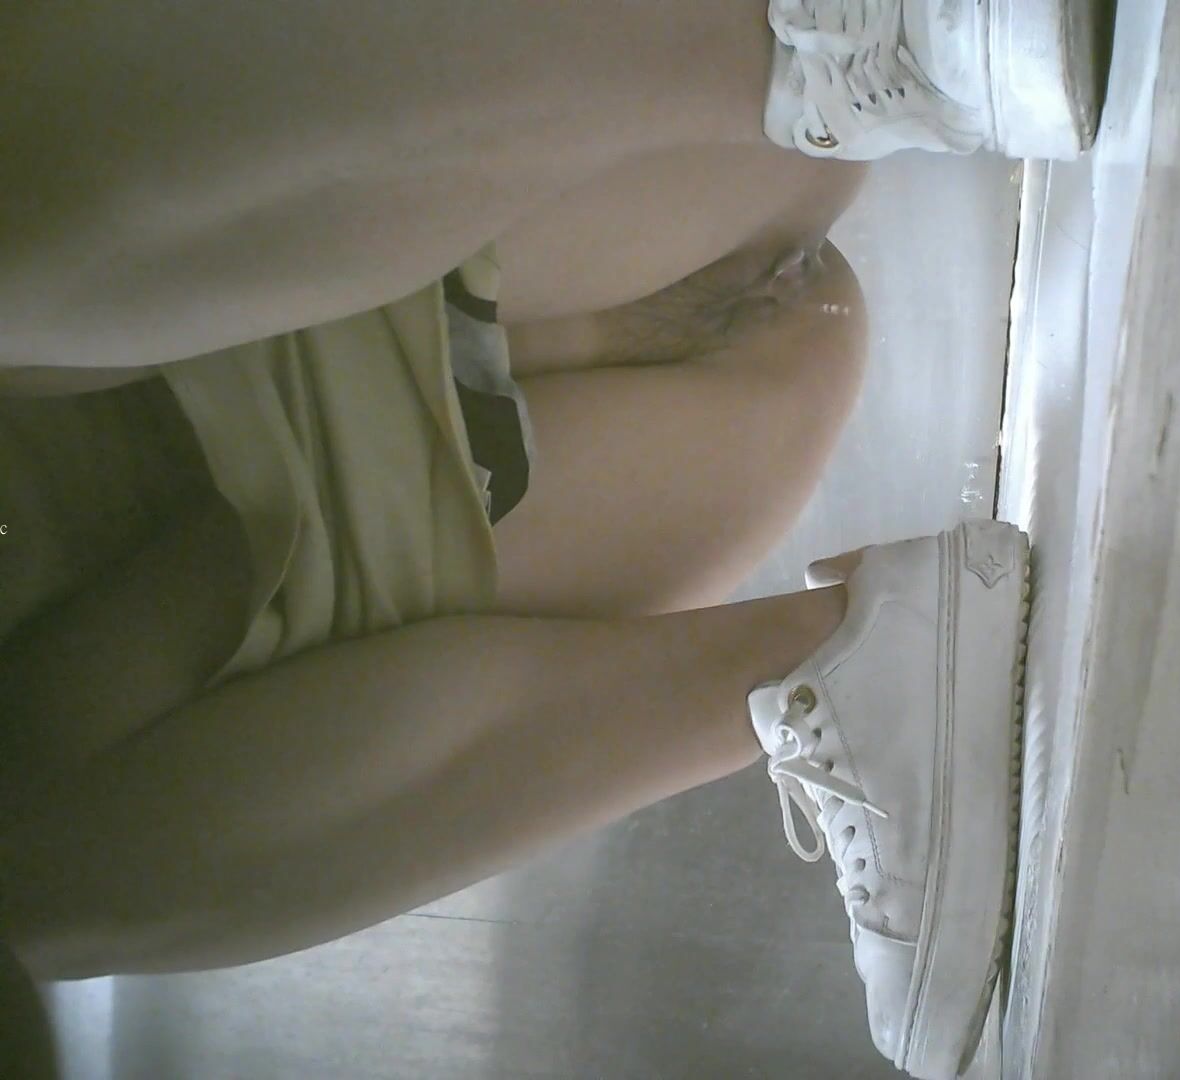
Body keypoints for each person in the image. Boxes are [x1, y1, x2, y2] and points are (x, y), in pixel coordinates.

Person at [0, 3, 1094, 1076]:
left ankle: (801, 30)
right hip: (318, 526)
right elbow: (194, 574)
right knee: (799, 318)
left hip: (250, 195)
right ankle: (853, 670)